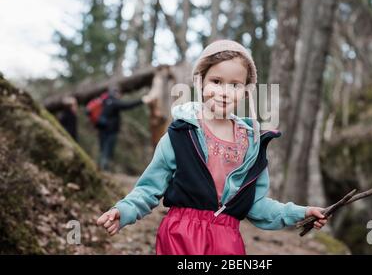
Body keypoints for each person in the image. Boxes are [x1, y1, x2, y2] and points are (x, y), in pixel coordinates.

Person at [97, 39, 328, 255]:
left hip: (228, 241)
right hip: (180, 235)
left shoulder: (252, 144)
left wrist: (300, 212)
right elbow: (149, 188)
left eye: (235, 85)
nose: (224, 92)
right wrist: (124, 211)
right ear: (200, 82)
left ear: (246, 91)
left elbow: (257, 206)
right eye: (216, 81)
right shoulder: (181, 134)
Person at [97, 87, 151, 171]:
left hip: (102, 129)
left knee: (103, 149)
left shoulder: (105, 101)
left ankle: (101, 168)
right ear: (116, 94)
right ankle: (104, 168)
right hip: (111, 130)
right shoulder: (114, 102)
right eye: (119, 94)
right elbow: (127, 105)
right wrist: (142, 100)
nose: (120, 96)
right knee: (107, 150)